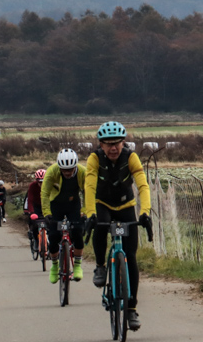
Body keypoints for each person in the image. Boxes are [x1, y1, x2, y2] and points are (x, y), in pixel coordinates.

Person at [83, 121, 151, 332]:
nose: (113, 148)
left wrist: (145, 212)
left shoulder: (131, 157)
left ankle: (131, 309)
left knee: (130, 257)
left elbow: (142, 184)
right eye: (109, 144)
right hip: (103, 204)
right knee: (101, 227)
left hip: (125, 205)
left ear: (124, 142)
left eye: (117, 143)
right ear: (101, 145)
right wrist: (90, 213)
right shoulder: (94, 158)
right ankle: (101, 266)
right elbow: (90, 185)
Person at [42, 148, 87, 284]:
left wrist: (85, 211)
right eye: (64, 170)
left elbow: (88, 192)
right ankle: (55, 266)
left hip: (74, 204)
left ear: (75, 167)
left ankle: (78, 265)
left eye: (70, 169)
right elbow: (44, 193)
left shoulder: (83, 172)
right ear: (59, 168)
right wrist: (46, 213)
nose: (67, 173)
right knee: (54, 236)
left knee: (78, 232)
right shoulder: (52, 172)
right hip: (56, 205)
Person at [25, 168, 46, 244]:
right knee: (34, 224)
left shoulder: (49, 185)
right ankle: (36, 242)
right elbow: (30, 200)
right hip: (36, 206)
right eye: (39, 182)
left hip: (46, 206)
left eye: (43, 182)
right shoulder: (32, 186)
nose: (41, 184)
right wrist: (31, 212)